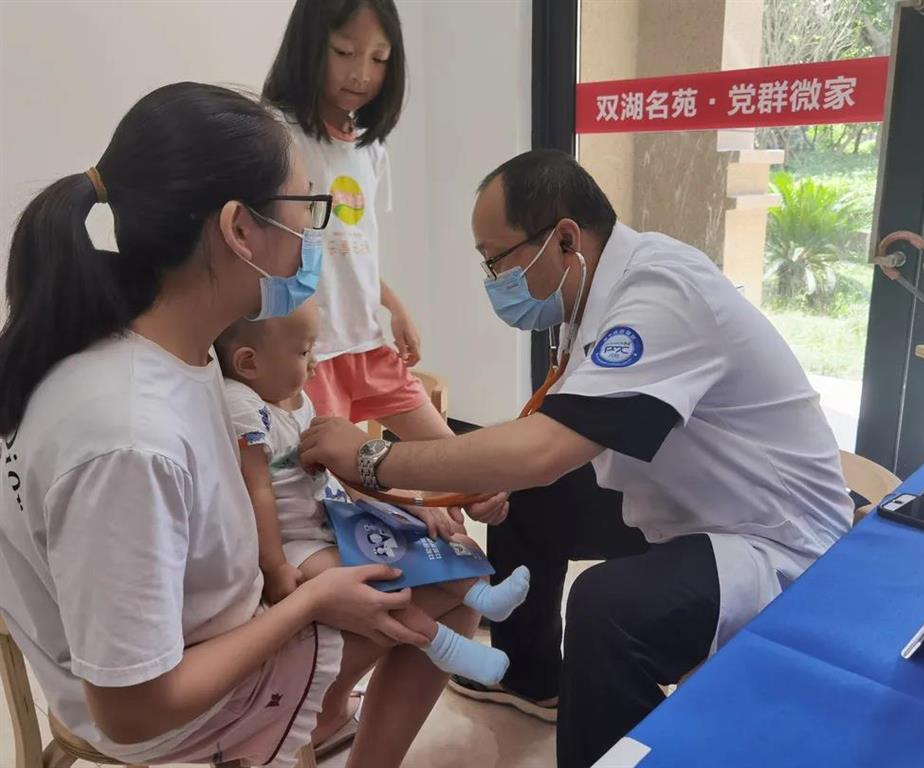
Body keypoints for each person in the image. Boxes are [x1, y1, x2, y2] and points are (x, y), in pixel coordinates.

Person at [297, 149, 855, 767]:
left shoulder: (661, 291)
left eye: (496, 259)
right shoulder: (592, 294)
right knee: (526, 499)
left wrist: (372, 458)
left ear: (564, 238)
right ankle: (530, 678)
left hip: (772, 535)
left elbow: (543, 449)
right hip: (692, 498)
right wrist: (477, 476)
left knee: (605, 609)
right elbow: (545, 440)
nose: (493, 279)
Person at [0, 82, 497, 768]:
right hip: (178, 708)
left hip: (197, 630)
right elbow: (133, 709)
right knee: (448, 594)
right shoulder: (130, 435)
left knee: (444, 575)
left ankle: (332, 717)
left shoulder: (166, 350)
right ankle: (326, 721)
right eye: (306, 211)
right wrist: (308, 603)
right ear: (239, 230)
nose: (314, 239)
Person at [213, 299, 529, 688]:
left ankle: (482, 597)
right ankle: (443, 645)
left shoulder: (293, 399)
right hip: (295, 544)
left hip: (331, 518)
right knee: (373, 586)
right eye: (303, 352)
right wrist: (276, 567)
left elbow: (337, 465)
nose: (315, 364)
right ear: (249, 363)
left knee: (433, 541)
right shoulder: (242, 406)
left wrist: (398, 504)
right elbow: (258, 491)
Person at [263, 0, 452, 440]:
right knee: (326, 478)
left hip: (367, 342)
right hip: (310, 352)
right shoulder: (276, 136)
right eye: (344, 52)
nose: (361, 74)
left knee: (453, 460)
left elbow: (349, 248)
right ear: (308, 45)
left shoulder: (370, 149)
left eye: (379, 58)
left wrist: (395, 306)